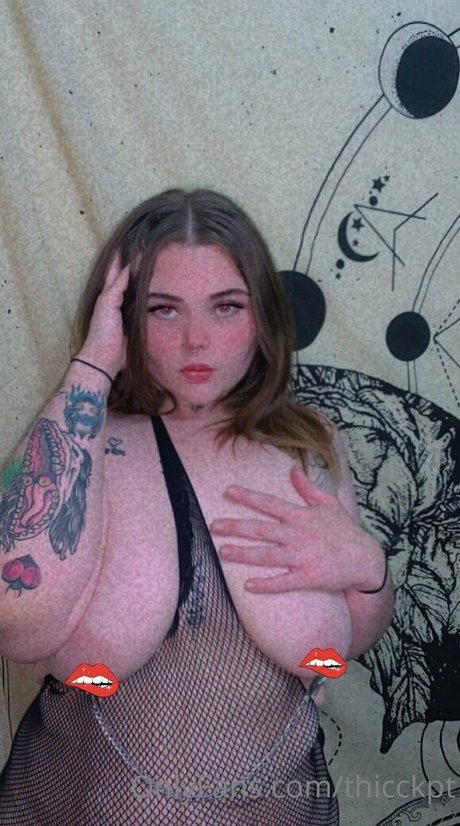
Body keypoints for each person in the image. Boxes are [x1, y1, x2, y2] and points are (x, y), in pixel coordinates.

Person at [0, 188, 393, 824]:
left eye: (226, 306)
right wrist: (94, 365)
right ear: (122, 314)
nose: (196, 341)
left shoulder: (310, 441)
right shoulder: (84, 442)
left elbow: (353, 637)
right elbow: (15, 621)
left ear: (263, 315)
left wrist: (368, 568)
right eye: (163, 309)